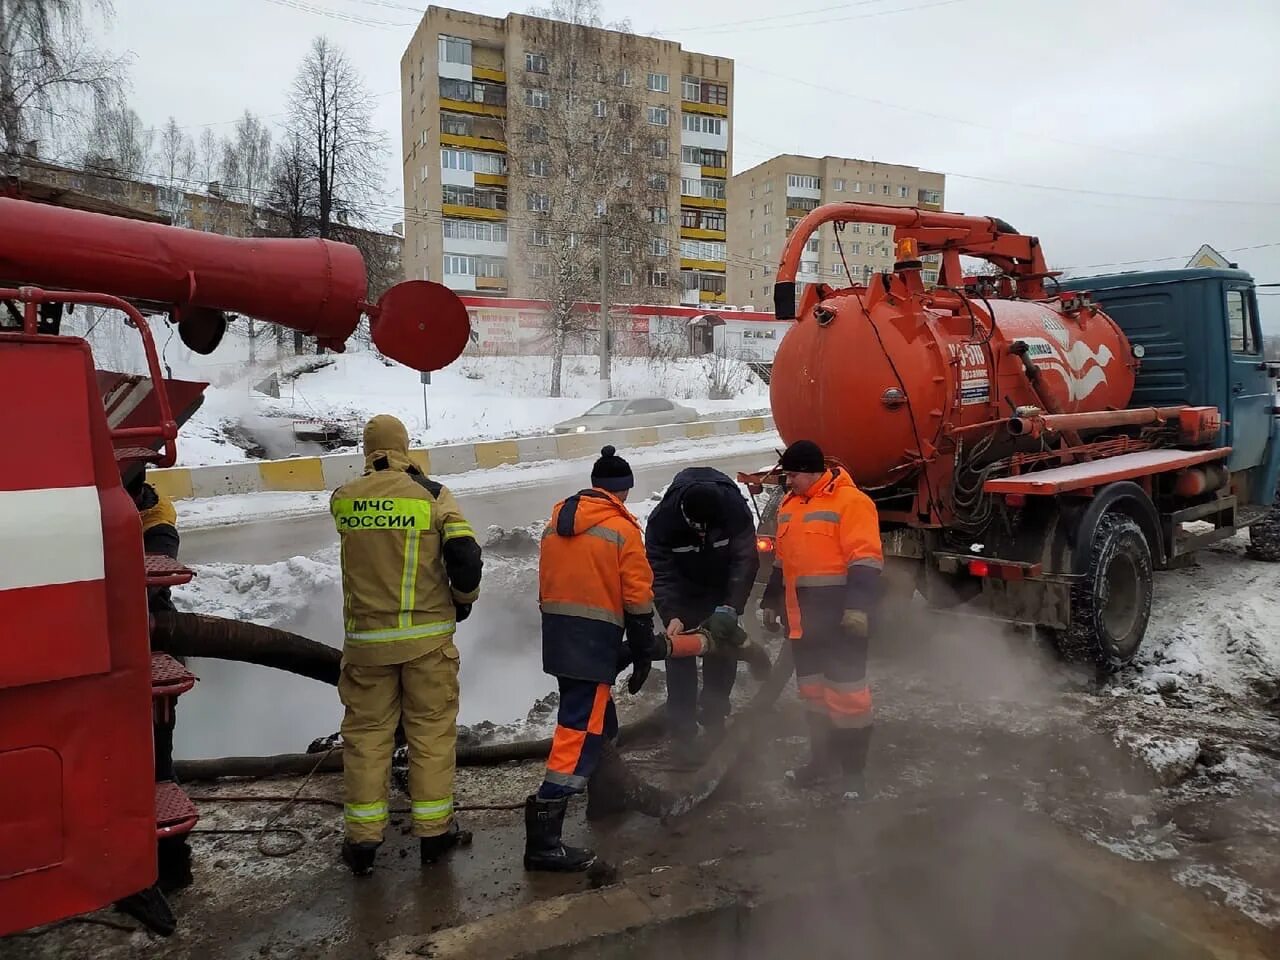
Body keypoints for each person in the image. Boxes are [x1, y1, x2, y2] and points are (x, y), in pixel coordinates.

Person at [330, 414, 482, 876]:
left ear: (367, 448)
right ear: (405, 446)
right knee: (431, 735)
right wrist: (464, 600)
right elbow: (466, 555)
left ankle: (362, 843)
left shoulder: (343, 499)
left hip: (366, 647)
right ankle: (434, 836)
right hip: (427, 643)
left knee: (366, 740)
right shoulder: (433, 496)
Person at [526, 445, 655, 872]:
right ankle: (545, 838)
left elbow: (546, 587)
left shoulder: (553, 524)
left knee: (602, 721)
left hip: (559, 637)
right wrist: (641, 648)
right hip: (596, 641)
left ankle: (607, 795)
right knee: (577, 733)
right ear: (622, 491)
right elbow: (637, 596)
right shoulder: (621, 530)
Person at [761, 439, 883, 799]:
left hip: (841, 622)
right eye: (787, 475)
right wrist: (770, 601)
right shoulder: (789, 506)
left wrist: (858, 608)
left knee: (849, 700)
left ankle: (853, 776)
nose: (789, 482)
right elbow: (783, 563)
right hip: (803, 624)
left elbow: (865, 560)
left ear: (814, 471)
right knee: (813, 697)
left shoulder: (852, 503)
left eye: (794, 474)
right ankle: (821, 763)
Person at [645, 467, 759, 763]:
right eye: (697, 527)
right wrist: (672, 614)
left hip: (721, 591)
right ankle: (683, 734)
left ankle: (715, 720)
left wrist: (730, 607)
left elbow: (745, 561)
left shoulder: (733, 510)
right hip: (682, 593)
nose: (703, 533)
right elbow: (660, 571)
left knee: (721, 652)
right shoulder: (663, 520)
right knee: (679, 654)